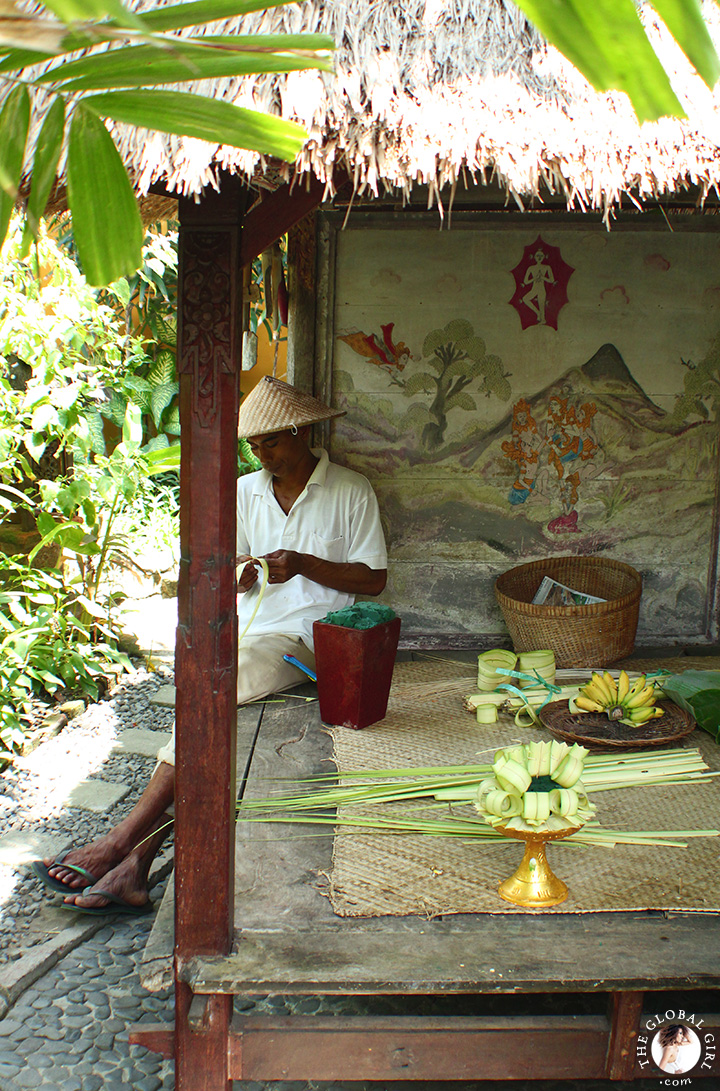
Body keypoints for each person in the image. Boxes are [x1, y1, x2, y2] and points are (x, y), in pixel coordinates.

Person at [33, 377, 388, 915]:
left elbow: (375, 578)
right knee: (208, 709)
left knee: (214, 687)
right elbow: (236, 566)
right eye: (254, 444)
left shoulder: (350, 489)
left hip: (316, 638)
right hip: (252, 629)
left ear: (304, 432)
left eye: (272, 441)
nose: (261, 453)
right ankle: (137, 862)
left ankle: (121, 838)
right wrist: (243, 575)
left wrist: (306, 564)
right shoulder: (246, 491)